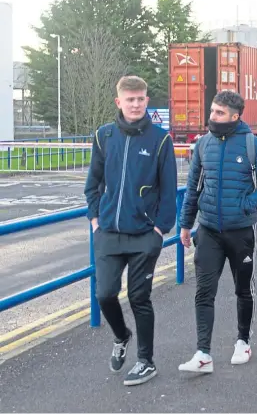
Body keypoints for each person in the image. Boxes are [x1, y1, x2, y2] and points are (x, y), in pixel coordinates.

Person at [84, 75, 177, 386]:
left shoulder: (160, 139)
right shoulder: (103, 136)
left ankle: (146, 361)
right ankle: (121, 336)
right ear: (119, 102)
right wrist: (96, 222)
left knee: (139, 298)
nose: (136, 104)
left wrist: (160, 230)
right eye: (130, 99)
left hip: (143, 236)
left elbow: (168, 190)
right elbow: (93, 185)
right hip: (109, 233)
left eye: (140, 99)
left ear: (147, 101)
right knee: (104, 294)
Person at [178, 91, 257, 373]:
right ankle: (202, 354)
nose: (213, 117)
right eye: (212, 111)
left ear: (235, 116)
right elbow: (193, 188)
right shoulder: (203, 145)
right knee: (204, 291)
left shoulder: (253, 145)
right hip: (208, 230)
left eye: (219, 113)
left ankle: (242, 341)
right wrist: (185, 225)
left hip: (241, 231)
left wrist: (244, 206)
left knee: (242, 289)